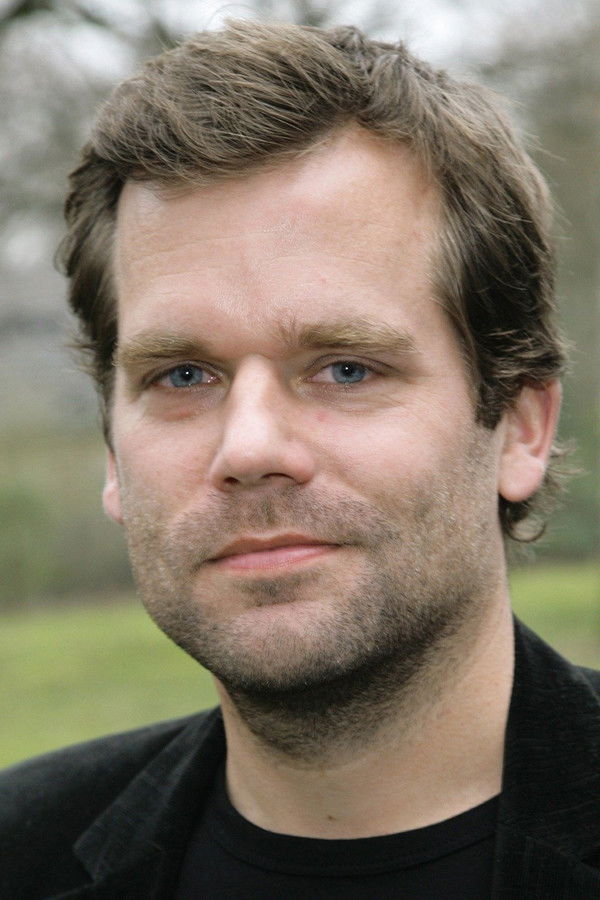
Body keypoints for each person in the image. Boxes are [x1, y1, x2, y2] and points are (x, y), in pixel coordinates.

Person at [1, 19, 598, 900]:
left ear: (519, 428)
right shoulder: (21, 849)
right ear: (113, 452)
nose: (248, 448)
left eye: (345, 368)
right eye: (182, 375)